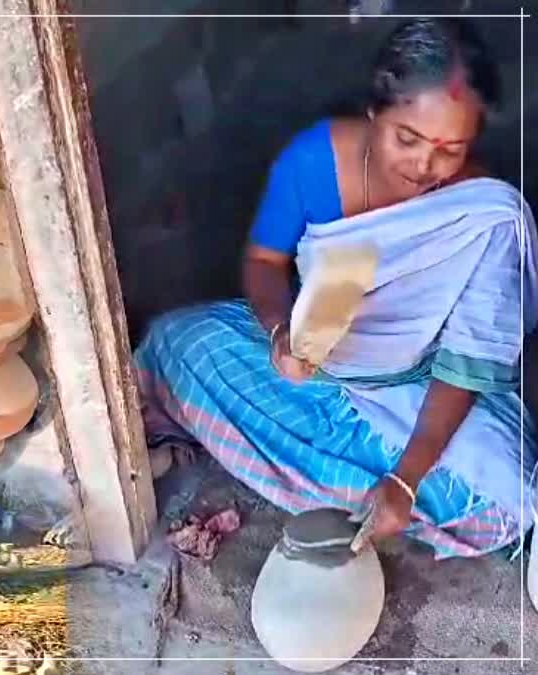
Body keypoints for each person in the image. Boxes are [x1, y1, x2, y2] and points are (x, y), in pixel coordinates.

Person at [134, 18, 537, 559]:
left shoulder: (483, 216)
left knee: (507, 493)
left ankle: (371, 487)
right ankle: (361, 483)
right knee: (173, 343)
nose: (425, 165)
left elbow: (464, 363)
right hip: (313, 364)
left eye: (450, 149)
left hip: (421, 386)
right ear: (374, 113)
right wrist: (280, 333)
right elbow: (263, 260)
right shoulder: (313, 161)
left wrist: (406, 479)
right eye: (407, 138)